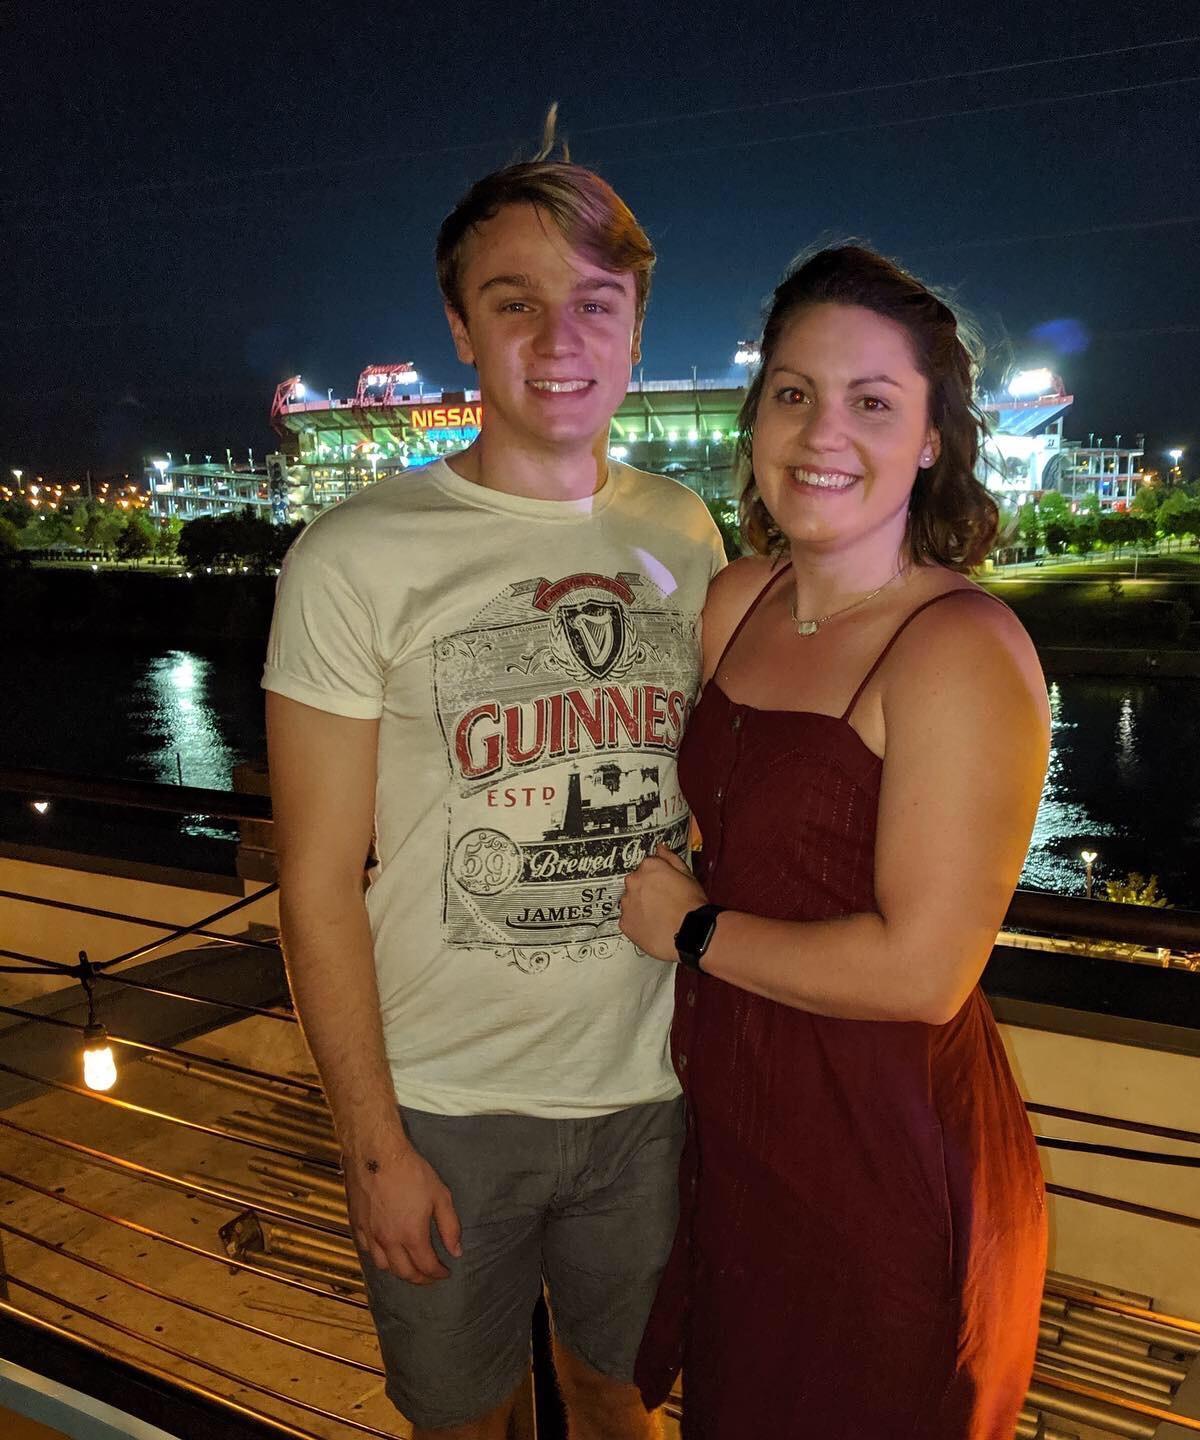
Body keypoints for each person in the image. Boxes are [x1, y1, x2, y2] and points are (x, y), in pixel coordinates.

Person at [263, 127, 726, 1440]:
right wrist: (373, 1146)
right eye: (513, 302)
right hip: (442, 1105)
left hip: (646, 1094)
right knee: (466, 1423)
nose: (558, 337)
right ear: (461, 328)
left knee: (622, 1405)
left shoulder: (681, 531)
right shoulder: (355, 556)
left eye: (593, 303)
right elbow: (314, 880)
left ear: (637, 328)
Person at [622, 246, 1051, 1438]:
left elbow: (925, 975)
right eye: (794, 392)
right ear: (757, 416)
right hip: (745, 1133)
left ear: (931, 440)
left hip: (881, 1153)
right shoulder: (734, 603)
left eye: (873, 402)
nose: (823, 431)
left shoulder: (961, 648)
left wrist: (693, 932)